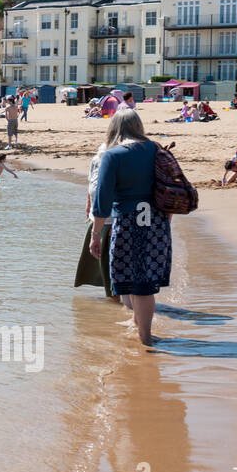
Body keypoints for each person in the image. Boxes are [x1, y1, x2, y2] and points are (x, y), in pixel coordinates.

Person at [89, 109, 171, 344]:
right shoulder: (156, 149)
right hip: (157, 221)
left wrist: (96, 234)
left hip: (128, 222)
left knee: (137, 283)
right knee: (145, 280)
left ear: (114, 128)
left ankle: (145, 339)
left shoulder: (113, 155)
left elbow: (102, 200)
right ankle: (137, 323)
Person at [74, 141, 115, 300]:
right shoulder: (96, 159)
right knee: (104, 269)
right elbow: (91, 184)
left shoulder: (119, 160)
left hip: (112, 221)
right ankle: (116, 306)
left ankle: (120, 303)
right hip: (98, 219)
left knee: (111, 269)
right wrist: (88, 205)